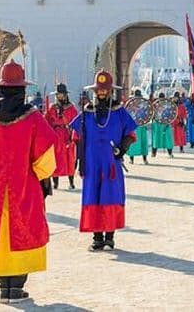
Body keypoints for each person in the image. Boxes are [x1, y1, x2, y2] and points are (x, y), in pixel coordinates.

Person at [0, 60, 57, 304]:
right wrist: (41, 174)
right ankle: (16, 288)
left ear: (1, 88)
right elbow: (46, 154)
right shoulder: (33, 118)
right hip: (24, 185)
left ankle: (4, 288)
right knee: (22, 231)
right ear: (22, 89)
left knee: (0, 235)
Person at [71, 70, 137, 251]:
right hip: (92, 164)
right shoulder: (86, 113)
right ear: (95, 91)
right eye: (99, 90)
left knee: (110, 196)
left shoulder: (119, 112)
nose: (102, 92)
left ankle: (110, 236)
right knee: (93, 196)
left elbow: (130, 135)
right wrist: (79, 162)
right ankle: (97, 237)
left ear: (110, 91)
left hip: (111, 162)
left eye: (105, 90)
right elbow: (77, 137)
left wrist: (122, 148)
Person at [46, 83, 78, 190]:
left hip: (67, 135)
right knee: (55, 159)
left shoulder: (71, 108)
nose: (60, 96)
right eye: (58, 95)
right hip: (55, 136)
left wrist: (72, 135)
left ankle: (71, 182)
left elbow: (76, 122)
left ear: (65, 95)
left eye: (61, 94)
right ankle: (55, 183)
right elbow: (47, 121)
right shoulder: (52, 108)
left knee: (70, 159)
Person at [126, 89, 150, 165]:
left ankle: (144, 159)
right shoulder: (130, 104)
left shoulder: (144, 104)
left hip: (141, 125)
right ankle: (132, 159)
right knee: (133, 142)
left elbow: (148, 114)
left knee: (142, 143)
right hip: (134, 126)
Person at [151, 93, 174, 158]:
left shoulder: (167, 104)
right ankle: (154, 153)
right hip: (159, 123)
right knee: (157, 139)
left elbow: (171, 114)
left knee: (166, 139)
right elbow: (152, 114)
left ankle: (168, 153)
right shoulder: (156, 104)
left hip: (165, 123)